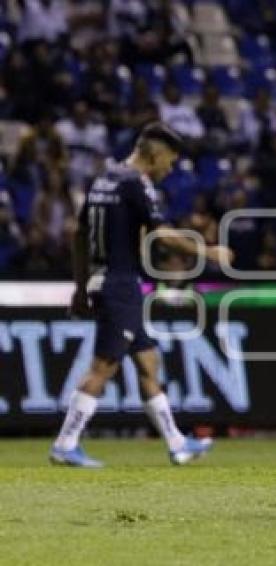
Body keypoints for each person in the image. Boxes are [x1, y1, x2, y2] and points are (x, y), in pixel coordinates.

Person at [50, 123, 233, 468]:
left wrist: (80, 286)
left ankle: (178, 443)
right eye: (171, 160)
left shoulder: (103, 180)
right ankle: (65, 443)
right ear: (155, 153)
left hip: (109, 281)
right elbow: (161, 234)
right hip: (119, 284)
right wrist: (208, 252)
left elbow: (79, 234)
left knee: (148, 362)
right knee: (103, 367)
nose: (170, 168)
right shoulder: (136, 183)